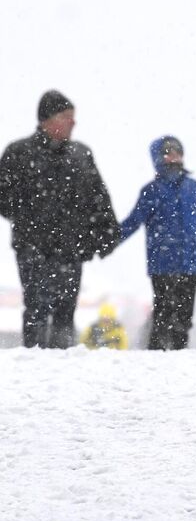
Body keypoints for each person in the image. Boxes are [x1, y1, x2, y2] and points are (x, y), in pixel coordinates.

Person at [0, 91, 120, 348]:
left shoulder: (81, 155)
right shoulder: (19, 153)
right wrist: (28, 214)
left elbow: (99, 198)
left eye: (73, 117)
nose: (72, 123)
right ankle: (35, 365)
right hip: (33, 247)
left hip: (71, 248)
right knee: (37, 308)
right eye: (66, 117)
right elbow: (3, 198)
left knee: (65, 311)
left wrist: (107, 233)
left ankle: (63, 369)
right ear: (47, 119)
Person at [114, 136, 196, 351]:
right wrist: (108, 242)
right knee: (163, 315)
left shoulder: (192, 188)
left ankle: (179, 359)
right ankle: (155, 359)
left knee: (184, 318)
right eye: (168, 152)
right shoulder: (151, 191)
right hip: (162, 264)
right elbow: (133, 222)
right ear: (157, 158)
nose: (174, 157)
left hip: (190, 263)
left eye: (177, 152)